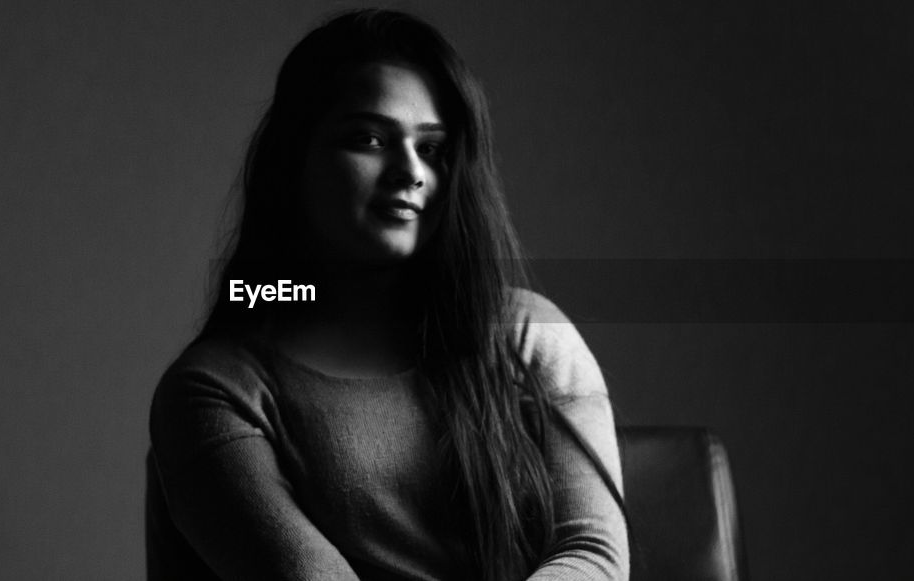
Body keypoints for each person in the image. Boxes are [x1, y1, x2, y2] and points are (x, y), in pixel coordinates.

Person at [147, 9, 628, 580]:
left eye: (432, 149)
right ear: (294, 160)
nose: (409, 172)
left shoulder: (529, 335)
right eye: (369, 138)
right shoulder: (214, 389)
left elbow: (594, 558)